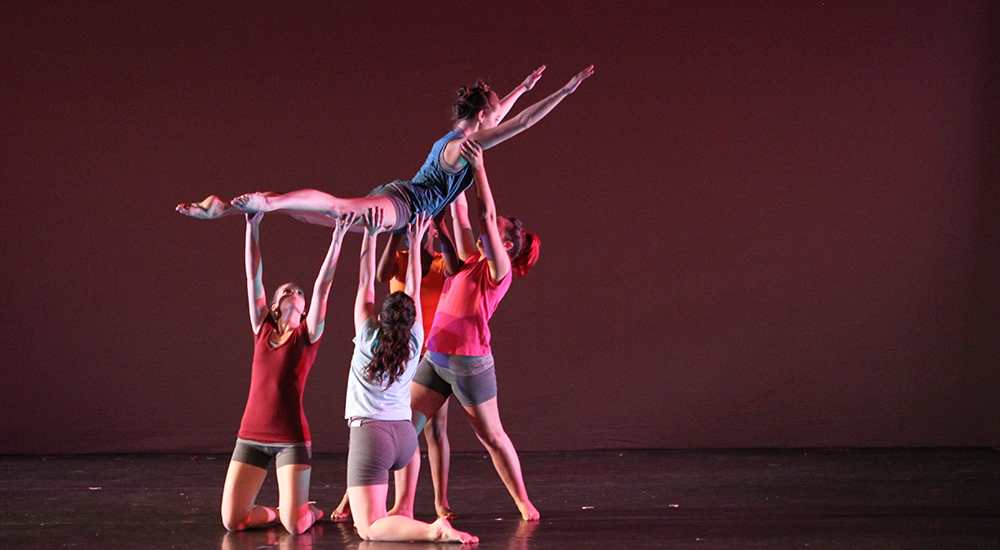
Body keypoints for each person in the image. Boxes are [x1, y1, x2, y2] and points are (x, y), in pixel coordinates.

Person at [176, 65, 594, 231]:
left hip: (398, 200)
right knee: (335, 208)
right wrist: (565, 91)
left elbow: (503, 113)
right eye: (493, 113)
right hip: (404, 206)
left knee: (312, 216)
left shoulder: (459, 136)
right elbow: (518, 122)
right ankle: (267, 203)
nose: (498, 116)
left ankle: (226, 207)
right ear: (482, 119)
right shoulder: (462, 146)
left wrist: (524, 86)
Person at [394, 139, 541, 521]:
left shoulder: (499, 272)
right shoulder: (473, 259)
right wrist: (448, 190)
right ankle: (402, 505)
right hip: (435, 355)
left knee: (490, 436)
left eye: (497, 230)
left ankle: (523, 502)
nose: (486, 228)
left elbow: (485, 216)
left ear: (506, 244)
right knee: (406, 430)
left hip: (468, 363)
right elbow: (460, 227)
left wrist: (479, 169)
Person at [342, 208, 476, 543]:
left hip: (372, 436)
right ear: (409, 317)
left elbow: (364, 282)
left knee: (368, 529)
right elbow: (414, 285)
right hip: (404, 440)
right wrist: (415, 241)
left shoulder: (368, 336)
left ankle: (434, 530)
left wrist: (371, 235)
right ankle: (421, 523)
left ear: (381, 317)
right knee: (396, 517)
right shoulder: (416, 339)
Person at [220, 211, 353, 534]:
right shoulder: (262, 329)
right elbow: (253, 277)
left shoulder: (307, 336)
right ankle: (281, 511)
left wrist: (337, 237)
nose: (296, 292)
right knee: (233, 521)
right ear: (276, 304)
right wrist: (252, 225)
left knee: (296, 527)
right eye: (288, 290)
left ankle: (309, 512)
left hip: (291, 439)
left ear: (305, 310)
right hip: (250, 436)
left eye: (300, 293)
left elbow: (323, 286)